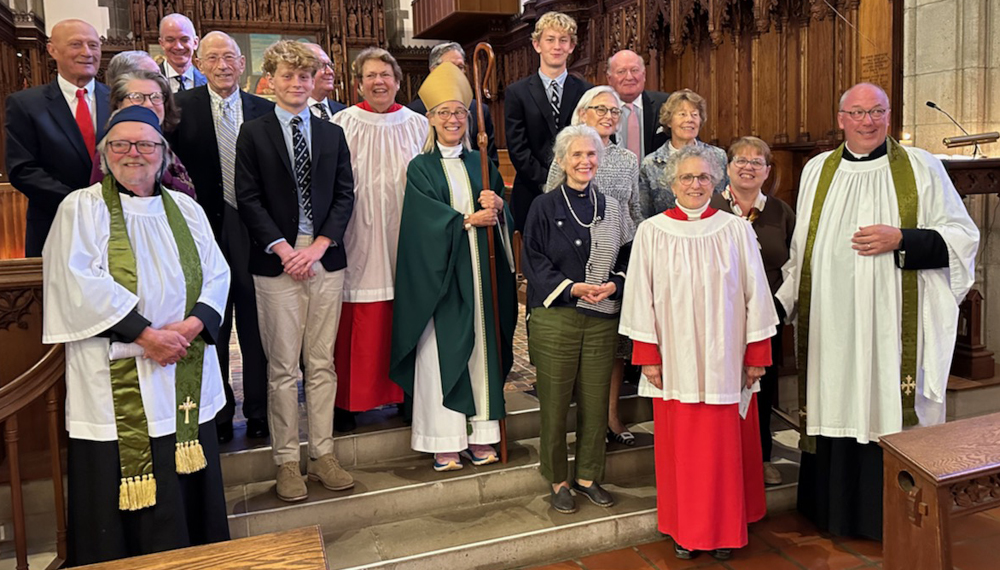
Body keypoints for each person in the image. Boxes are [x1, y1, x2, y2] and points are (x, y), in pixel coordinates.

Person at [776, 82, 979, 540]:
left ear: (890, 115)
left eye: (878, 111)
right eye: (858, 113)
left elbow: (962, 236)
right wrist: (784, 301)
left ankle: (892, 517)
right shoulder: (817, 170)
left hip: (892, 322)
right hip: (833, 321)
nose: (868, 121)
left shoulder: (922, 167)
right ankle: (831, 513)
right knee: (836, 395)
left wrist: (903, 238)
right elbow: (801, 247)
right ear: (842, 118)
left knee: (887, 401)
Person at [42, 105, 230, 565]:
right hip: (117, 370)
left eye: (146, 144)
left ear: (163, 154)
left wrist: (190, 327)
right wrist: (146, 335)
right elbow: (76, 281)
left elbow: (217, 273)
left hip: (184, 361)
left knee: (187, 466)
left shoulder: (186, 207)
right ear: (105, 155)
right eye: (121, 145)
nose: (134, 154)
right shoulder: (81, 208)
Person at [621, 144, 777, 560]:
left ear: (718, 182)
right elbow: (640, 298)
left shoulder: (735, 229)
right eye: (687, 178)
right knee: (683, 452)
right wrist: (647, 355)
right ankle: (686, 531)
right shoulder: (653, 231)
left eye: (704, 177)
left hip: (726, 359)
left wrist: (757, 353)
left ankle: (725, 531)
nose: (695, 184)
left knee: (725, 451)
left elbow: (756, 295)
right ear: (672, 183)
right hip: (675, 359)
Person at [236, 40, 356, 502]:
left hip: (325, 258)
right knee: (283, 367)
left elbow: (346, 194)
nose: (295, 84)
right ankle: (287, 460)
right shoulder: (255, 132)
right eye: (286, 76)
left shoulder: (332, 134)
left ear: (313, 81)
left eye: (303, 76)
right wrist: (286, 250)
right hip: (276, 260)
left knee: (321, 363)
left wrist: (321, 245)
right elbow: (247, 198)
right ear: (270, 80)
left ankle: (323, 453)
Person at [390, 62, 517, 471]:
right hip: (441, 281)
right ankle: (444, 437)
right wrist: (464, 222)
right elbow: (420, 225)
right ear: (429, 119)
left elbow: (502, 214)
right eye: (443, 112)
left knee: (481, 347)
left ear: (468, 118)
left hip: (481, 276)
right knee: (441, 351)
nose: (452, 120)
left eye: (459, 112)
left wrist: (498, 207)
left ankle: (481, 434)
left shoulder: (482, 164)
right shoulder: (420, 167)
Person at [171, 30, 276, 443]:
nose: (222, 65)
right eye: (213, 58)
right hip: (203, 229)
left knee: (255, 323)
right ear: (199, 64)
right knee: (212, 320)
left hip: (254, 230)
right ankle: (216, 410)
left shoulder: (263, 109)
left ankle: (258, 410)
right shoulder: (180, 108)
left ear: (242, 63)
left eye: (230, 57)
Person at [523, 125, 633, 515]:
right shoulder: (544, 206)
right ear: (562, 160)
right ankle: (557, 479)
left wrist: (615, 285)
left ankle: (588, 476)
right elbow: (532, 260)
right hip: (558, 317)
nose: (585, 161)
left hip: (602, 317)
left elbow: (627, 255)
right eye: (577, 155)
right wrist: (571, 287)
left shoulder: (615, 207)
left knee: (594, 401)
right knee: (554, 404)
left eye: (591, 155)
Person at [331, 48, 427, 430]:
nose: (378, 82)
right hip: (358, 234)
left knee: (407, 309)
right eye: (370, 75)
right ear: (358, 82)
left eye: (385, 75)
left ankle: (405, 396)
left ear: (398, 81)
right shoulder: (342, 123)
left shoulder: (418, 124)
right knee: (357, 314)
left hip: (407, 234)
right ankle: (350, 402)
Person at [543, 85, 641, 446]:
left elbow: (634, 210)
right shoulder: (567, 152)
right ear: (583, 113)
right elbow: (551, 202)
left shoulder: (628, 160)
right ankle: (581, 419)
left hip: (614, 259)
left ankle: (611, 417)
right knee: (579, 343)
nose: (608, 117)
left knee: (614, 345)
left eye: (615, 112)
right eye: (600, 109)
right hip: (575, 259)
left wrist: (635, 257)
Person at [709, 136, 795, 486]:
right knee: (720, 390)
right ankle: (722, 460)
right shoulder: (710, 207)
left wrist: (778, 305)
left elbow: (796, 264)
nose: (748, 167)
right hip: (718, 318)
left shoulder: (780, 212)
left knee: (761, 389)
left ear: (768, 171)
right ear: (727, 168)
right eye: (740, 160)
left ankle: (760, 458)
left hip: (766, 317)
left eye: (756, 162)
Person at [5, 18, 110, 256]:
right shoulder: (26, 104)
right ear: (52, 50)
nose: (87, 52)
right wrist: (79, 203)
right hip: (54, 224)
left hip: (113, 227)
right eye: (76, 44)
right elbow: (22, 169)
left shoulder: (117, 100)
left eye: (93, 45)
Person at [505, 11, 593, 230]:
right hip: (531, 192)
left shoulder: (586, 92)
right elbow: (518, 148)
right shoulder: (517, 93)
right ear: (537, 45)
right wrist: (550, 181)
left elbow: (590, 141)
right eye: (550, 39)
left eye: (564, 40)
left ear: (571, 46)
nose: (557, 46)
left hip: (577, 189)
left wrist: (571, 180)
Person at [91, 71, 195, 199]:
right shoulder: (112, 153)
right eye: (137, 97)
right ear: (119, 104)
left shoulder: (169, 144)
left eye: (156, 97)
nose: (148, 104)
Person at [405, 42, 499, 166]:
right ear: (433, 70)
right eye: (450, 67)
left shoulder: (479, 111)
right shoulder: (413, 113)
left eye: (460, 67)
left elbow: (491, 162)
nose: (456, 72)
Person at [638, 89, 727, 219]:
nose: (689, 119)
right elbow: (643, 213)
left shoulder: (718, 157)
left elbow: (725, 203)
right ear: (669, 121)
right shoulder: (651, 163)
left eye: (694, 114)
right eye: (682, 114)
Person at [606, 49, 668, 160]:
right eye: (621, 71)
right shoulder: (600, 110)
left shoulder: (665, 104)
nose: (629, 77)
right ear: (609, 79)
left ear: (644, 75)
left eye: (634, 70)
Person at [158, 13, 207, 93]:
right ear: (162, 43)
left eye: (184, 39)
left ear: (195, 43)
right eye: (170, 40)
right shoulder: (149, 81)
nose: (178, 47)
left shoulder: (209, 83)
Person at [304, 43, 347, 120]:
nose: (330, 71)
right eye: (321, 65)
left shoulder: (344, 112)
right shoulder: (292, 111)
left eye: (330, 66)